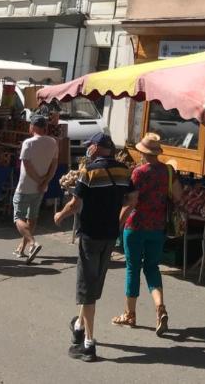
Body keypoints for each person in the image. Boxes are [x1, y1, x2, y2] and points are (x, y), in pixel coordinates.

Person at [54, 132, 135, 362]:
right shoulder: (123, 171)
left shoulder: (88, 171)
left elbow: (75, 202)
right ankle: (79, 325)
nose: (88, 149)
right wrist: (118, 221)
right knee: (94, 282)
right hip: (110, 236)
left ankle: (88, 343)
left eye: (91, 146)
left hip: (91, 234)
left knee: (87, 288)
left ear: (97, 148)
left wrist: (61, 214)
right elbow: (132, 199)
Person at [112, 132, 182, 336]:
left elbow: (131, 202)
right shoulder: (168, 171)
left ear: (143, 152)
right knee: (152, 267)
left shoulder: (138, 173)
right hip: (158, 227)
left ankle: (130, 314)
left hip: (136, 227)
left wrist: (117, 223)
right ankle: (160, 307)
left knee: (133, 268)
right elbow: (178, 195)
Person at [13, 113, 58, 263]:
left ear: (32, 127)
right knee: (32, 218)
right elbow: (54, 165)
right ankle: (23, 248)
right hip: (40, 188)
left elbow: (26, 165)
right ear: (45, 128)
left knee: (18, 217)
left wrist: (39, 180)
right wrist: (45, 182)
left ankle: (32, 243)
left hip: (25, 186)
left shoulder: (28, 143)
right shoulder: (53, 142)